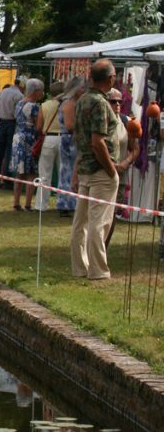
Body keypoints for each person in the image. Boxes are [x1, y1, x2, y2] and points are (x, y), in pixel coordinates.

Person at [70, 59, 120, 281]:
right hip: (100, 170)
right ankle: (97, 271)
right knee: (98, 223)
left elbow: (79, 137)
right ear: (109, 78)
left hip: (85, 169)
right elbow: (97, 142)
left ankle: (80, 267)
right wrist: (111, 170)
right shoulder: (99, 103)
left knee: (81, 222)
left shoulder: (82, 100)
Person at [104, 88, 141, 249]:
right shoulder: (100, 121)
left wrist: (126, 162)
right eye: (113, 101)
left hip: (120, 175)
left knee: (112, 215)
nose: (118, 104)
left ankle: (103, 248)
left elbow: (135, 148)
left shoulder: (126, 121)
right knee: (98, 214)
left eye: (120, 101)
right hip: (101, 173)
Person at [9, 78, 45, 211]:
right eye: (41, 91)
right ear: (36, 91)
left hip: (17, 137)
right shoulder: (34, 106)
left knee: (19, 172)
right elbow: (38, 126)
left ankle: (16, 202)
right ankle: (28, 203)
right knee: (30, 172)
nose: (42, 94)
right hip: (29, 139)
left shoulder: (19, 103)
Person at [57, 76, 88, 216]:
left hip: (70, 140)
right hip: (70, 141)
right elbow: (70, 125)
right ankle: (67, 203)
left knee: (69, 171)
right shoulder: (70, 104)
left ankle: (69, 202)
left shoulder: (71, 102)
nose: (84, 90)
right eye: (81, 88)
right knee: (69, 171)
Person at [33, 81, 65, 212]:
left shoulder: (44, 105)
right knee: (63, 173)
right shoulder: (67, 105)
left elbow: (39, 127)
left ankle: (40, 205)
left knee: (44, 174)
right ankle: (63, 204)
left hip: (49, 138)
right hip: (64, 138)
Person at [0, 77, 24, 188]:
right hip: (11, 124)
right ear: (22, 85)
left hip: (0, 123)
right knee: (10, 153)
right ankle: (7, 180)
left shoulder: (2, 92)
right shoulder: (19, 96)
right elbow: (18, 114)